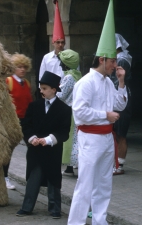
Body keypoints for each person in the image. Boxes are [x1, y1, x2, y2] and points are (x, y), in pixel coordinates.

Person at [68, 1, 127, 224]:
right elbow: (80, 113)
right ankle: (76, 222)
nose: (115, 65)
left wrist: (121, 82)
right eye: (113, 61)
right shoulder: (85, 83)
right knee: (85, 184)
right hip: (90, 138)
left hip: (105, 139)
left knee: (104, 184)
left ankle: (100, 220)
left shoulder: (108, 82)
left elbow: (119, 106)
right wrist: (105, 115)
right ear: (102, 59)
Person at [16, 71, 71, 219]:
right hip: (35, 149)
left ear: (54, 89)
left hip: (52, 150)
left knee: (54, 179)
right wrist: (32, 138)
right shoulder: (34, 106)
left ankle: (55, 209)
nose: (41, 91)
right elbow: (26, 125)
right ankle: (27, 207)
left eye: (45, 88)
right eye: (41, 88)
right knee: (33, 178)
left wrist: (48, 140)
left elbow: (64, 132)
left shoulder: (64, 109)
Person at [5, 53, 33, 190]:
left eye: (24, 67)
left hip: (26, 121)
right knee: (8, 150)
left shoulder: (27, 83)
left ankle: (31, 178)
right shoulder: (9, 81)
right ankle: (4, 177)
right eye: (19, 67)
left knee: (32, 147)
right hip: (12, 120)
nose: (22, 69)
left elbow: (29, 102)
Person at [56, 49, 82, 176]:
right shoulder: (78, 75)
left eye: (62, 62)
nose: (60, 65)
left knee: (69, 140)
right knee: (76, 140)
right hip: (76, 111)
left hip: (69, 112)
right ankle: (71, 167)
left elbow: (61, 95)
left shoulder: (69, 77)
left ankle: (70, 166)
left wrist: (53, 90)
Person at [111, 33, 132, 175]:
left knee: (121, 134)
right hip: (115, 98)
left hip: (122, 98)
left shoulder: (122, 60)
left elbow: (117, 81)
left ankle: (120, 164)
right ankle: (115, 162)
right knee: (114, 133)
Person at [38, 0, 65, 83]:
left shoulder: (70, 57)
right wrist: (42, 90)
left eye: (62, 42)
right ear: (53, 43)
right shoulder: (47, 58)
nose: (60, 45)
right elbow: (42, 74)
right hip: (51, 91)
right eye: (58, 42)